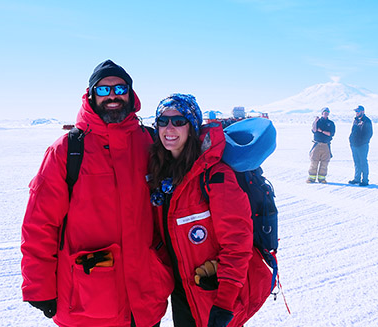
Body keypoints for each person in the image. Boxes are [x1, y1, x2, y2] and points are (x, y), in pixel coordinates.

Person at [21, 59, 173, 327]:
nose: (112, 95)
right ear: (91, 95)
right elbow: (40, 224)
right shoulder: (67, 150)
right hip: (86, 302)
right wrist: (39, 287)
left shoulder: (150, 142)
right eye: (103, 90)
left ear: (131, 94)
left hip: (145, 300)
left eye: (120, 88)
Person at [149, 94, 268, 327]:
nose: (169, 128)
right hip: (183, 293)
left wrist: (225, 303)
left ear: (192, 127)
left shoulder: (215, 176)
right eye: (163, 121)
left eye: (179, 121)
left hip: (214, 295)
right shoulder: (161, 175)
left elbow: (237, 242)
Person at [306, 107, 336, 184]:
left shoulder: (331, 123)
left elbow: (331, 134)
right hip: (317, 144)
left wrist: (322, 131)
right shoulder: (318, 122)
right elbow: (314, 130)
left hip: (326, 145)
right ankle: (311, 178)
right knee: (314, 162)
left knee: (324, 163)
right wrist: (315, 122)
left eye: (327, 111)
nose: (326, 113)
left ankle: (322, 178)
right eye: (324, 111)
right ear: (322, 113)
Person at [348, 105, 373, 186]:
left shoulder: (367, 121)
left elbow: (369, 134)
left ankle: (365, 180)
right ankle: (357, 178)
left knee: (363, 162)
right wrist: (351, 140)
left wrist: (362, 142)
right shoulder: (355, 120)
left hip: (362, 145)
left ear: (362, 111)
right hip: (354, 145)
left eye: (358, 111)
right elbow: (353, 131)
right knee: (356, 162)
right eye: (356, 111)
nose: (356, 113)